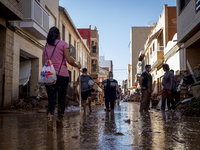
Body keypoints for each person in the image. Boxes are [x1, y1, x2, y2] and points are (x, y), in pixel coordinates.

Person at [42, 27, 81, 126]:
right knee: (61, 100)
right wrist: (77, 66)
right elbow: (69, 60)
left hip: (49, 77)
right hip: (62, 76)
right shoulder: (63, 44)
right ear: (59, 34)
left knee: (51, 101)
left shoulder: (46, 47)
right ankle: (59, 123)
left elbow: (44, 64)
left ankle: (49, 125)